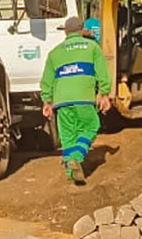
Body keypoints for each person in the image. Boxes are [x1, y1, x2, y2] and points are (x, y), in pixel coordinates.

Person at [40, 17, 112, 184]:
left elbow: (47, 80)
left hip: (62, 101)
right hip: (84, 98)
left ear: (65, 32)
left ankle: (71, 173)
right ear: (82, 30)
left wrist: (46, 101)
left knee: (67, 137)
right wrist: (104, 93)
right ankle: (78, 157)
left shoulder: (55, 53)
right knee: (91, 125)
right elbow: (102, 73)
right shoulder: (92, 47)